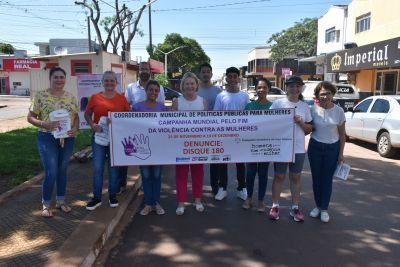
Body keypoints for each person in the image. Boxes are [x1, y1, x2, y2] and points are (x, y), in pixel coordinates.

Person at [27, 67, 79, 217]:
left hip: (67, 138)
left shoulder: (70, 97)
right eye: (56, 77)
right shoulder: (41, 96)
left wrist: (75, 128)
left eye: (62, 77)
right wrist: (45, 124)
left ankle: (61, 201)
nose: (59, 80)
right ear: (50, 79)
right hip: (47, 137)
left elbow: (76, 117)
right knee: (51, 171)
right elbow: (30, 117)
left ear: (65, 79)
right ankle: (46, 204)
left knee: (62, 170)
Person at [269, 75, 312, 222]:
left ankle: (295, 208)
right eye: (291, 86)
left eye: (297, 86)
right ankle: (275, 206)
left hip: (299, 148)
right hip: (282, 147)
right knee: (279, 176)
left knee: (295, 177)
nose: (294, 89)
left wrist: (300, 122)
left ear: (301, 89)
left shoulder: (305, 107)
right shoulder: (278, 104)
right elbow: (267, 123)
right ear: (286, 88)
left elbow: (308, 130)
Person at [85, 71, 130, 211]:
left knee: (113, 167)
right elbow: (87, 114)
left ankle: (112, 194)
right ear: (102, 82)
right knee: (97, 168)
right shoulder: (95, 97)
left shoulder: (122, 99)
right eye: (107, 81)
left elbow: (128, 117)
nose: (109, 83)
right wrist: (92, 124)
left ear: (116, 83)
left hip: (115, 138)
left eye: (112, 81)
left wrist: (117, 123)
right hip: (98, 138)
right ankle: (97, 197)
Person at [120, 61, 165, 193]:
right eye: (142, 69)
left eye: (146, 69)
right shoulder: (130, 88)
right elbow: (127, 109)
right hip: (140, 137)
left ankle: (154, 198)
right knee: (145, 172)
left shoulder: (160, 88)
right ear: (138, 71)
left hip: (156, 137)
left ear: (150, 71)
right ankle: (147, 197)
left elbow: (161, 109)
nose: (144, 71)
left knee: (156, 173)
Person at [308, 81, 346, 223]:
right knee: (316, 179)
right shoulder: (312, 110)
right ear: (317, 95)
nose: (325, 96)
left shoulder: (339, 111)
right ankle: (317, 206)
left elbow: (342, 135)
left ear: (333, 94)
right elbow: (307, 129)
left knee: (327, 180)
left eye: (328, 93)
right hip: (315, 147)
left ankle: (324, 208)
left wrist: (341, 153)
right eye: (322, 93)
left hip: (332, 148)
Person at [171, 72, 208, 215]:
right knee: (181, 174)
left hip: (199, 144)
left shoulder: (203, 101)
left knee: (198, 173)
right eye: (187, 84)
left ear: (196, 85)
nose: (190, 86)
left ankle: (197, 200)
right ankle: (181, 203)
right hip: (181, 144)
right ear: (182, 86)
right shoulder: (177, 102)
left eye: (192, 83)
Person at [213, 66, 250, 201]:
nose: (233, 79)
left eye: (235, 76)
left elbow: (250, 116)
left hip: (241, 136)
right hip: (224, 136)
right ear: (226, 78)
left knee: (240, 163)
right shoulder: (220, 96)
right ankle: (222, 188)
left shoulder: (244, 96)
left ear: (238, 78)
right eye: (230, 77)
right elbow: (216, 116)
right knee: (223, 162)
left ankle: (242, 188)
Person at [133, 80, 168, 216]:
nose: (153, 92)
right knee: (146, 176)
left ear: (158, 92)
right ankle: (148, 204)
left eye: (155, 90)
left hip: (158, 149)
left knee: (157, 175)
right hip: (143, 148)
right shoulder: (137, 108)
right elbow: (129, 126)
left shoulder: (163, 109)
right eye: (150, 90)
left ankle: (157, 202)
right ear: (146, 91)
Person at [242, 78, 273, 212]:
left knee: (263, 173)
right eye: (259, 87)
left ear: (268, 89)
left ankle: (261, 201)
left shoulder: (273, 107)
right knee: (250, 173)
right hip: (251, 145)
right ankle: (248, 198)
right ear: (255, 89)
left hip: (266, 146)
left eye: (264, 87)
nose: (261, 90)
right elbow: (243, 126)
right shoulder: (249, 106)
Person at [197, 63, 223, 198]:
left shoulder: (218, 91)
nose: (206, 74)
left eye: (208, 71)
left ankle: (215, 186)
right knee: (197, 159)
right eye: (203, 71)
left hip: (215, 131)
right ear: (199, 75)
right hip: (198, 131)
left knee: (215, 159)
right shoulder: (195, 91)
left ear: (211, 74)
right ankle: (197, 188)